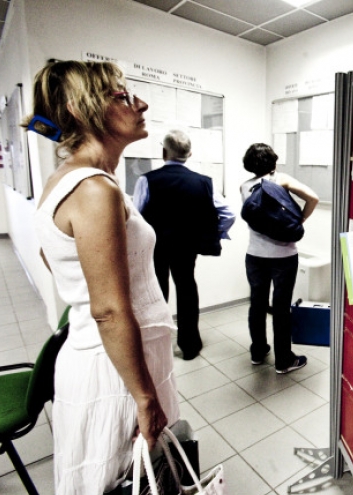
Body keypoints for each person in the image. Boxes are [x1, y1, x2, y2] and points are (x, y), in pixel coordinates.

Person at [26, 60, 179, 494]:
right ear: (80, 109)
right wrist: (144, 396)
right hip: (116, 370)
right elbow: (109, 310)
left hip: (115, 360)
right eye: (121, 96)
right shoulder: (94, 189)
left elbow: (52, 256)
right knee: (121, 482)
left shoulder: (70, 180)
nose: (140, 103)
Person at [133, 129, 235, 360]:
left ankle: (157, 346)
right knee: (187, 288)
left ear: (163, 152)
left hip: (156, 247)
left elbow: (136, 218)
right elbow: (228, 214)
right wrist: (214, 234)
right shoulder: (204, 182)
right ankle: (189, 346)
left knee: (157, 292)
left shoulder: (146, 180)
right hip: (187, 246)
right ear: (189, 154)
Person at [240, 143, 318, 374]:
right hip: (283, 255)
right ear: (273, 161)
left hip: (254, 255)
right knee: (281, 308)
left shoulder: (244, 186)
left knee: (257, 304)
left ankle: (258, 351)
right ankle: (284, 360)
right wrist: (300, 220)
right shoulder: (280, 179)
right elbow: (313, 197)